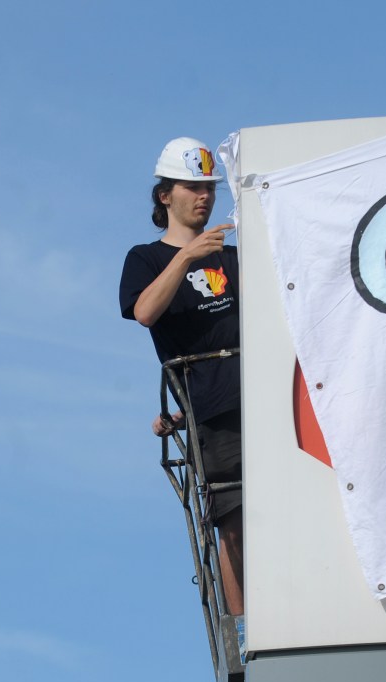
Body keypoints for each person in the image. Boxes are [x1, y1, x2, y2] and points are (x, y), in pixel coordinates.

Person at [119, 137, 244, 627]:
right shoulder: (146, 259)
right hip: (212, 413)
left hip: (263, 399)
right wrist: (186, 257)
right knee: (234, 521)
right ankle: (244, 628)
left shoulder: (233, 259)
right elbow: (146, 311)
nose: (204, 196)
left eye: (209, 186)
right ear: (164, 195)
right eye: (191, 186)